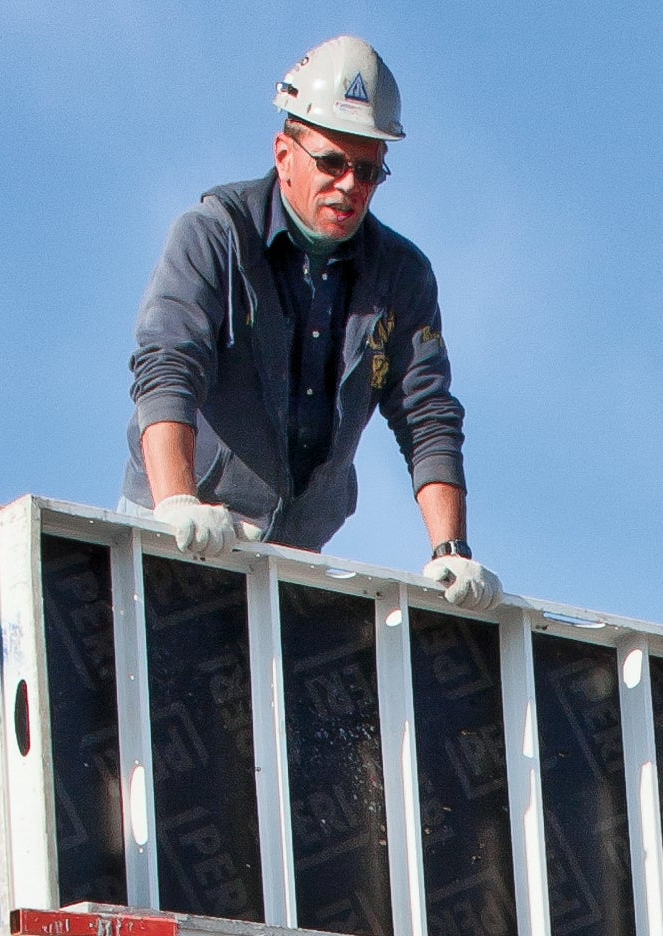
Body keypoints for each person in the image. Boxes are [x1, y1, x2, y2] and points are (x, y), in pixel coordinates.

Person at [121, 36, 498, 605]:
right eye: (332, 162)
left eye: (368, 172)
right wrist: (177, 504)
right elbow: (168, 365)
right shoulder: (215, 235)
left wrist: (451, 552)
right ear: (283, 154)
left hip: (289, 561)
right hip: (172, 536)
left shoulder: (402, 277)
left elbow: (427, 414)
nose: (349, 185)